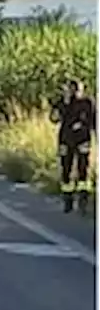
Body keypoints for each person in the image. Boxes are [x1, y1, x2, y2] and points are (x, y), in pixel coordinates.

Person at [50, 79, 96, 214]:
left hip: (82, 139)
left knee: (83, 167)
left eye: (76, 88)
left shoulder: (87, 103)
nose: (74, 91)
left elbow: (93, 121)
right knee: (66, 169)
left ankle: (83, 198)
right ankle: (67, 199)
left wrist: (86, 128)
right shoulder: (62, 102)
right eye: (70, 88)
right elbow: (53, 119)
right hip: (65, 140)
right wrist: (62, 104)